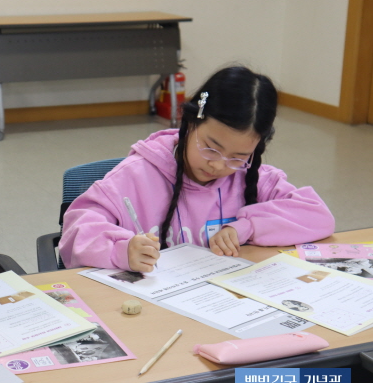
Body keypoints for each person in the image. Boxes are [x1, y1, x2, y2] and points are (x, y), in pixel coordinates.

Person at [59, 66, 334, 272]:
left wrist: (248, 226)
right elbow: (75, 233)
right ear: (190, 122)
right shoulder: (136, 176)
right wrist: (122, 251)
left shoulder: (251, 176)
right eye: (211, 148)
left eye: (238, 157)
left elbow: (318, 215)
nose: (219, 165)